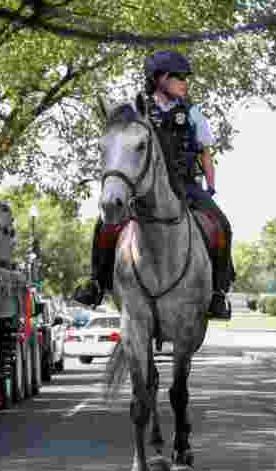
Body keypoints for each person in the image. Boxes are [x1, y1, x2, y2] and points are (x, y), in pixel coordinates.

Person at [85, 49, 235, 320]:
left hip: (186, 183)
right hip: (145, 186)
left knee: (222, 225)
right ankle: (96, 283)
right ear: (159, 79)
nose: (184, 82)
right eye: (178, 77)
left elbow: (205, 152)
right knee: (104, 224)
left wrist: (210, 185)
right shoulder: (135, 112)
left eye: (185, 78)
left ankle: (218, 293)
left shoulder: (192, 112)